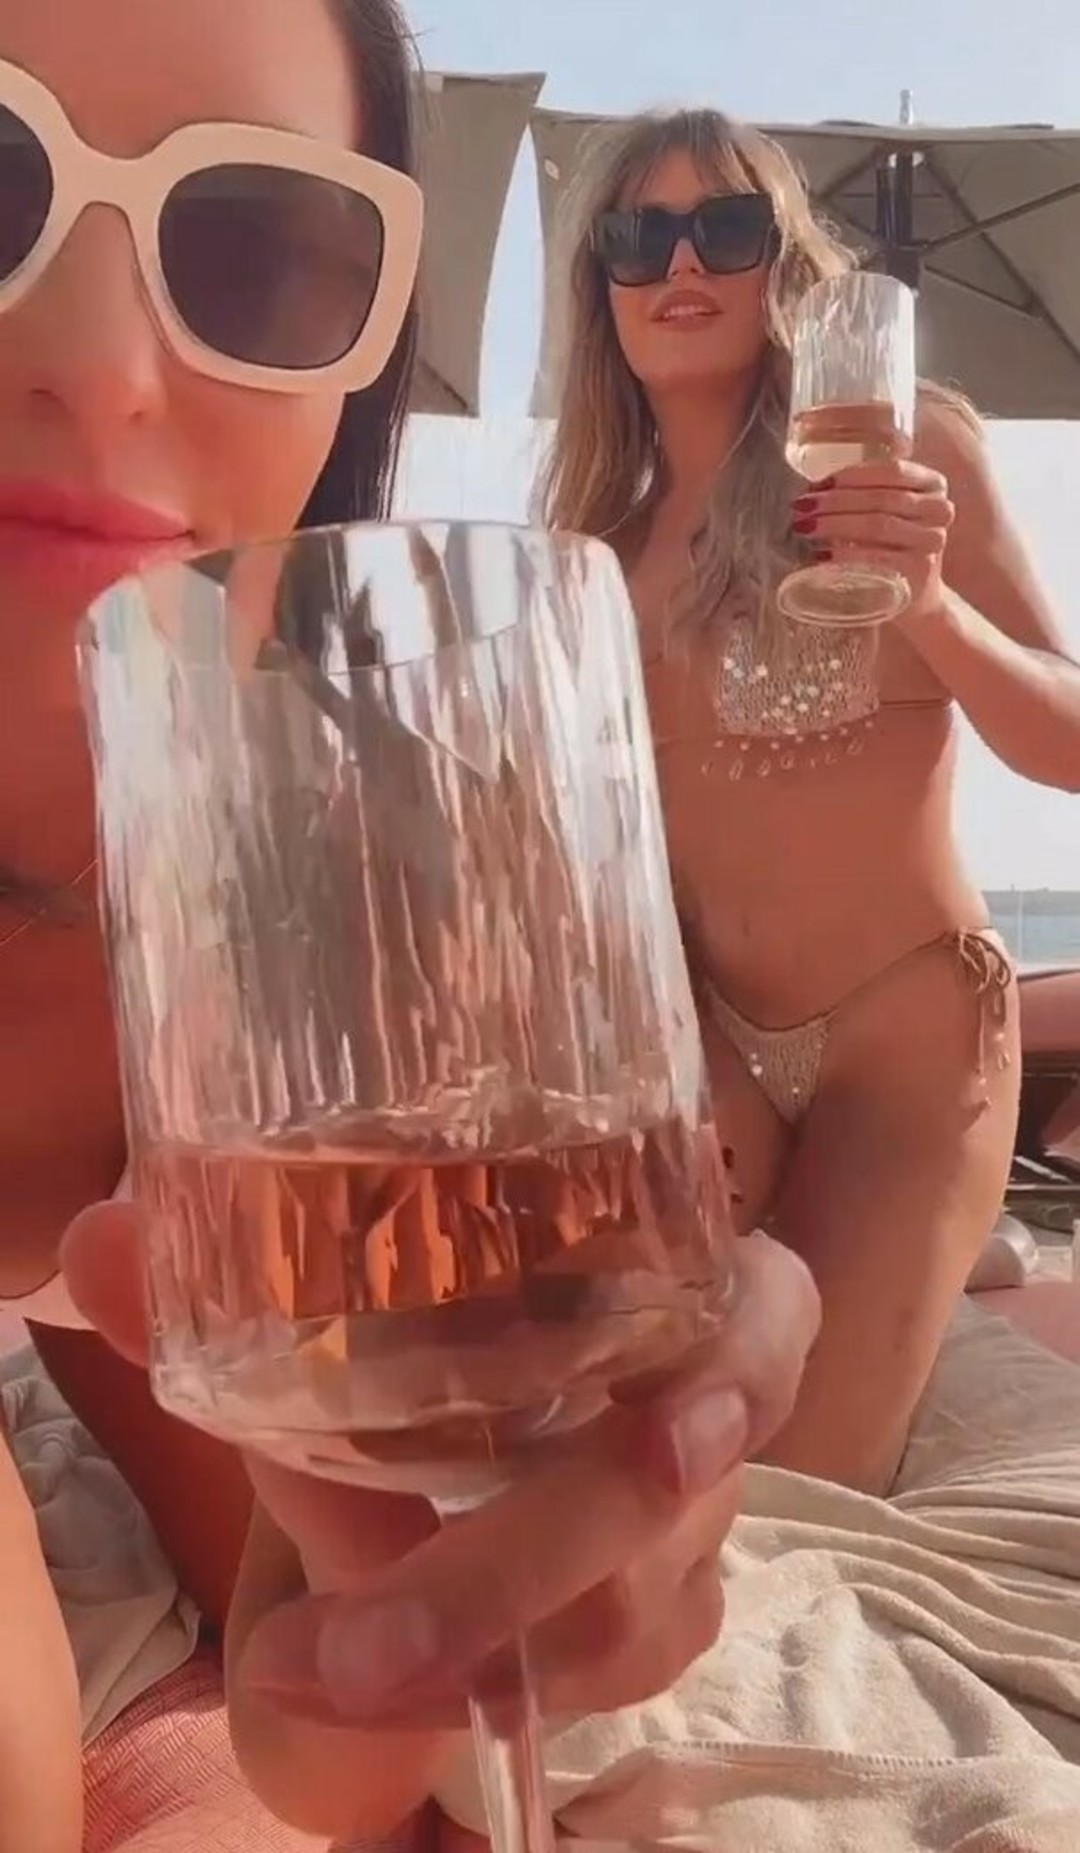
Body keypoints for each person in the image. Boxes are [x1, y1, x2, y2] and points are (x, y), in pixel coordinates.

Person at [0, 10, 821, 1848]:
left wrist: (395, 1659)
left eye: (257, 249)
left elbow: (312, 1654)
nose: (103, 369)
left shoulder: (363, 883)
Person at [536, 107, 1080, 1499]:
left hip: (910, 1043)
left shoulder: (909, 456)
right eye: (637, 237)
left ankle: (923, 1253)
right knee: (579, 1421)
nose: (680, 264)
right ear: (600, 286)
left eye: (723, 228)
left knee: (779, 1484)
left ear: (783, 261)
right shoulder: (598, 546)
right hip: (714, 1048)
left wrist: (933, 606)